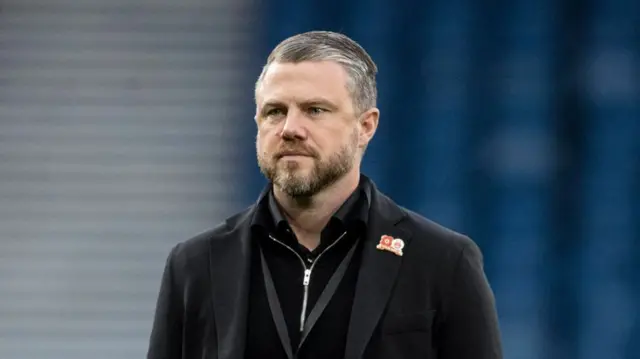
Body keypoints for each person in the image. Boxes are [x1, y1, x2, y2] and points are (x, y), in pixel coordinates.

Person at [146, 30, 503, 359]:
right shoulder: (194, 265)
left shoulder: (443, 261)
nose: (290, 129)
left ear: (366, 126)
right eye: (275, 111)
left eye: (315, 110)